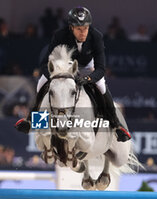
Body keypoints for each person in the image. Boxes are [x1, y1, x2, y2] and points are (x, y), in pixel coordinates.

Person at [15, 7, 131, 142]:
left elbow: (100, 68)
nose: (83, 33)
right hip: (64, 67)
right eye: (79, 29)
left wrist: (89, 78)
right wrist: (52, 76)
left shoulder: (96, 36)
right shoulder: (60, 35)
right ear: (71, 28)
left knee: (102, 86)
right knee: (41, 82)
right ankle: (30, 120)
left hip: (87, 67)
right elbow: (44, 63)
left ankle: (116, 125)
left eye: (85, 28)